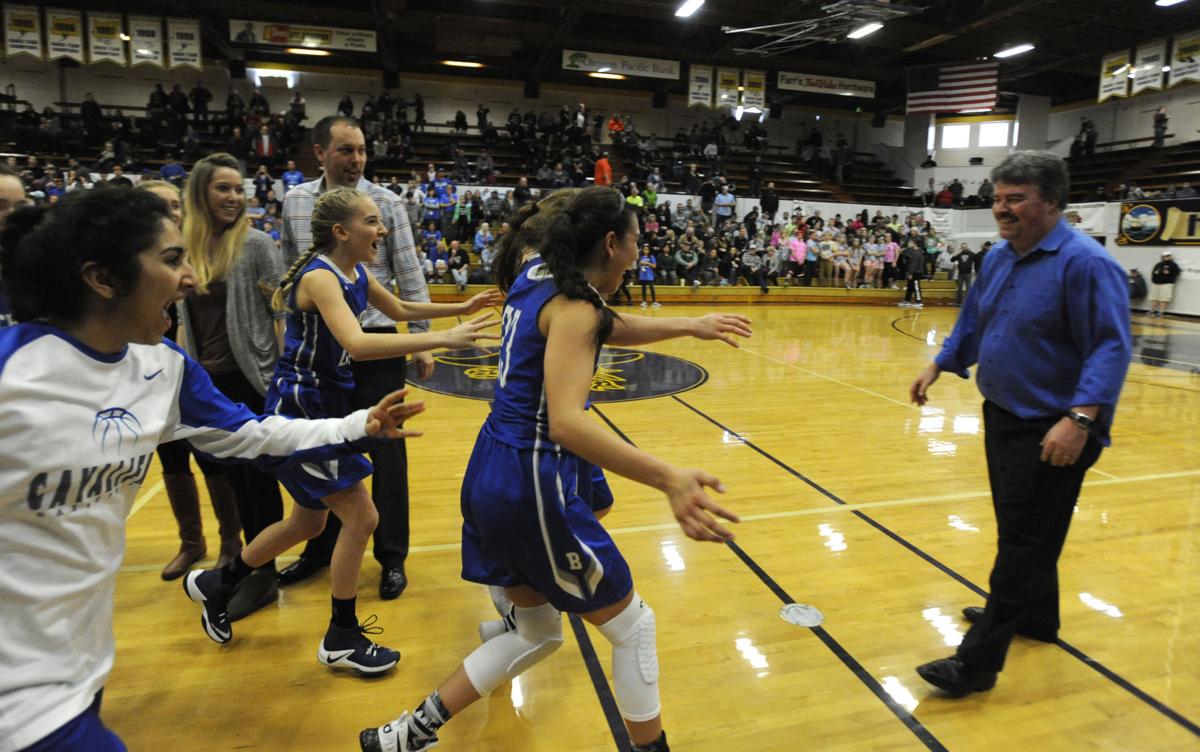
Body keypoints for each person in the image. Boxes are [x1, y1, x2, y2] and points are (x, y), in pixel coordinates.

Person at [0, 188, 423, 752]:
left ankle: (218, 582)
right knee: (341, 520)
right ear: (102, 279)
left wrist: (357, 427)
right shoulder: (15, 376)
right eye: (172, 260)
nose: (192, 279)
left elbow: (254, 434)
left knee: (310, 523)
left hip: (80, 673)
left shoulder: (165, 369)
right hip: (22, 700)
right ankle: (325, 626)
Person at [358, 186, 751, 752]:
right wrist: (669, 476)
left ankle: (408, 732)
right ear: (611, 243)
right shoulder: (576, 305)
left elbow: (602, 324)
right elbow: (568, 422)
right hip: (532, 483)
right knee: (634, 628)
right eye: (636, 242)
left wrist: (690, 324)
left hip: (492, 468)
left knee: (538, 633)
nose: (640, 255)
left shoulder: (540, 271)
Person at [183, 187, 501, 674]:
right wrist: (446, 339)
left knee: (308, 522)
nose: (382, 230)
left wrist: (457, 310)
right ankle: (341, 635)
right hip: (303, 409)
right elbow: (356, 342)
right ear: (342, 231)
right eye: (373, 222)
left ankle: (218, 584)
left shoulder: (354, 272)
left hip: (323, 406)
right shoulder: (320, 278)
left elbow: (396, 311)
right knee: (362, 517)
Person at [909, 150, 1131, 698]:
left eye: (1016, 199)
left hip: (1056, 427)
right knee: (1023, 531)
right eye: (998, 198)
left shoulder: (1085, 263)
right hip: (1003, 415)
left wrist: (1080, 418)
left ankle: (978, 663)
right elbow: (975, 321)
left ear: (1052, 201)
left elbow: (1110, 347)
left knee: (1025, 542)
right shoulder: (1001, 258)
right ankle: (1038, 619)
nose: (1001, 209)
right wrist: (940, 362)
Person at [279, 116, 433, 601]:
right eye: (346, 150)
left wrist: (425, 337)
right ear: (320, 152)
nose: (356, 160)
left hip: (376, 340)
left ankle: (392, 557)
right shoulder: (295, 202)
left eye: (362, 150)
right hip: (322, 348)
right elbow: (291, 268)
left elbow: (407, 268)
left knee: (387, 452)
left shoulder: (385, 203)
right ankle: (319, 550)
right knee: (324, 449)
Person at [174, 153, 290, 619]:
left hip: (253, 378)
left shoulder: (257, 244)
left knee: (259, 482)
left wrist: (281, 380)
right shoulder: (189, 246)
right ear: (201, 192)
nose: (234, 197)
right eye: (223, 188)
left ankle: (264, 576)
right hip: (211, 381)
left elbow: (281, 313)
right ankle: (250, 565)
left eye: (238, 189)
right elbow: (185, 318)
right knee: (235, 479)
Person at [136, 180, 243, 581]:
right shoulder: (139, 262)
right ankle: (191, 541)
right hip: (150, 368)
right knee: (173, 458)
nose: (170, 211)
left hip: (195, 367)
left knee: (213, 456)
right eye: (157, 205)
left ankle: (231, 540)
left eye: (173, 204)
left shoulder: (197, 254)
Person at [1149, 251, 1180, 318]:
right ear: (1162, 257)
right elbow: (1153, 272)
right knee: (1154, 298)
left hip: (1166, 284)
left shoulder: (1173, 265)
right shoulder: (1158, 264)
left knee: (1163, 299)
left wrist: (1169, 273)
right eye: (1164, 256)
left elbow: (1177, 273)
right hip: (1156, 283)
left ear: (1170, 256)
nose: (1166, 257)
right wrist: (1154, 279)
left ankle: (1161, 312)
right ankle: (1152, 311)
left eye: (1167, 256)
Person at [952, 242, 977, 306]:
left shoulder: (971, 254)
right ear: (961, 247)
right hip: (960, 274)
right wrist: (956, 253)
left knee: (968, 288)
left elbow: (977, 259)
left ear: (967, 247)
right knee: (959, 288)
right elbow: (952, 260)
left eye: (965, 247)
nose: (964, 248)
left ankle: (968, 302)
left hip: (968, 273)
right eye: (963, 247)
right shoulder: (959, 254)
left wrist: (975, 270)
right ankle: (959, 302)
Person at [637, 244, 658, 308]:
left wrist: (647, 263)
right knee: (643, 289)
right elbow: (638, 265)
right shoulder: (640, 257)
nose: (646, 250)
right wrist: (640, 263)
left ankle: (654, 302)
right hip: (642, 275)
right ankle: (644, 302)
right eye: (644, 249)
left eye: (647, 249)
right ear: (642, 250)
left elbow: (654, 266)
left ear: (649, 250)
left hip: (649, 275)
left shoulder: (651, 257)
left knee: (652, 288)